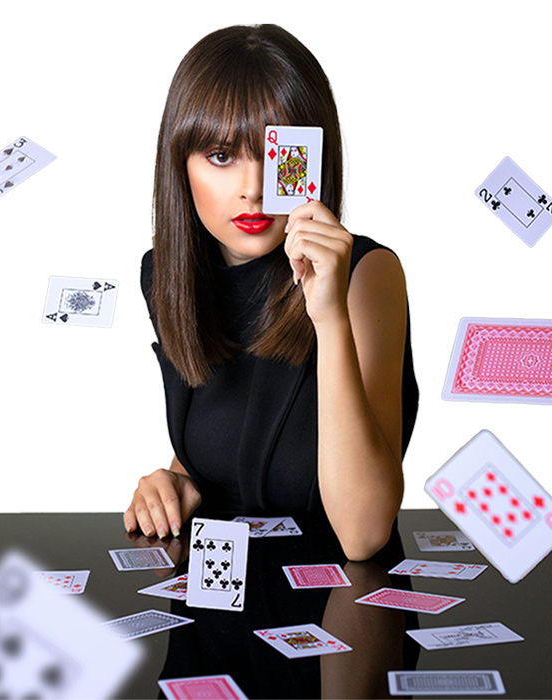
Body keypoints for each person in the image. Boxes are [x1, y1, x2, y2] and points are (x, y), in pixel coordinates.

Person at [124, 23, 419, 561]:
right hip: (212, 622)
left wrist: (329, 316)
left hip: (339, 617)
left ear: (315, 157)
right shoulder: (164, 278)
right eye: (220, 156)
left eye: (277, 154)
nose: (254, 187)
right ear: (179, 166)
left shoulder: (367, 275)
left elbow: (364, 532)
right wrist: (176, 483)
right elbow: (226, 445)